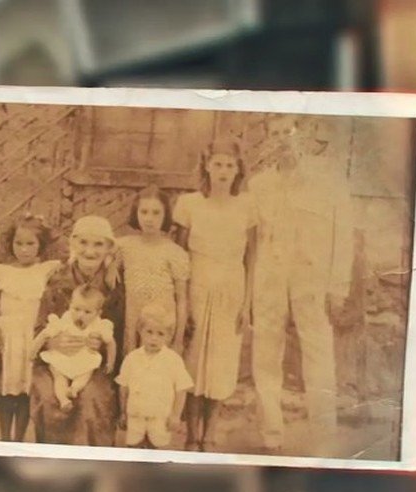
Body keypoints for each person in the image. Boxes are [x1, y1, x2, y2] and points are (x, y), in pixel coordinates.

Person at [247, 116, 354, 455]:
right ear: (267, 139)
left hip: (312, 280)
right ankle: (271, 433)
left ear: (301, 135)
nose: (281, 140)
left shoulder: (327, 181)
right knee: (265, 352)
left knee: (319, 353)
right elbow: (251, 241)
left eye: (287, 133)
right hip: (270, 278)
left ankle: (324, 436)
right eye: (274, 133)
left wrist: (338, 286)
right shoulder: (259, 185)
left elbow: (343, 237)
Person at [174, 139, 258, 452]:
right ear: (207, 166)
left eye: (230, 165)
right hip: (197, 284)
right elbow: (179, 255)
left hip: (231, 288)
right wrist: (180, 299)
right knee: (194, 359)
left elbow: (252, 256)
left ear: (238, 171)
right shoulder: (189, 203)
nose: (223, 171)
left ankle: (210, 432)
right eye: (218, 164)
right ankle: (191, 433)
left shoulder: (247, 206)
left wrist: (247, 304)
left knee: (222, 361)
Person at [29, 215, 124, 447]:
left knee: (92, 398)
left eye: (98, 244)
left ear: (109, 248)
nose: (90, 251)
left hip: (95, 364)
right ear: (73, 244)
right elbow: (40, 327)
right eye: (83, 242)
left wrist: (101, 345)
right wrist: (52, 343)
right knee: (51, 397)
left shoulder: (115, 283)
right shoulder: (57, 279)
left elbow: (120, 332)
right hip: (54, 363)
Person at [0, 214, 61, 441]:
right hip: (8, 337)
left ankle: (19, 438)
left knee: (26, 389)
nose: (24, 249)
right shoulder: (0, 273)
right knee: (7, 390)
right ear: (10, 244)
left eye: (31, 244)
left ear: (41, 245)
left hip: (31, 337)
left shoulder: (46, 270)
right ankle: (5, 438)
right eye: (19, 243)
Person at [117, 185, 190, 353]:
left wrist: (179, 339)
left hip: (163, 322)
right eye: (144, 212)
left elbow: (181, 299)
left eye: (156, 213)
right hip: (135, 319)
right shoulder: (125, 246)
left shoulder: (174, 252)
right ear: (136, 213)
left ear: (165, 216)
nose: (149, 218)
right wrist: (113, 265)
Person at [116, 303, 193, 449]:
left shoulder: (173, 360)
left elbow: (181, 390)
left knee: (157, 448)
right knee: (134, 448)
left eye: (160, 334)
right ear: (140, 331)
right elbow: (123, 388)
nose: (154, 338)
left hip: (160, 416)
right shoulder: (132, 358)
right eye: (149, 332)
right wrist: (123, 413)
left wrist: (176, 415)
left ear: (169, 336)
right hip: (135, 415)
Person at [32, 285, 116, 412]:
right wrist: (33, 351)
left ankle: (74, 389)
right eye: (76, 309)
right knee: (59, 378)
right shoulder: (65, 320)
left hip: (84, 358)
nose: (80, 315)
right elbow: (44, 334)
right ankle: (63, 400)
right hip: (62, 357)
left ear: (98, 313)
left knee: (85, 374)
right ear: (70, 305)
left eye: (87, 312)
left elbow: (111, 342)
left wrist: (111, 361)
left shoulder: (99, 324)